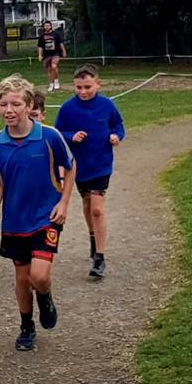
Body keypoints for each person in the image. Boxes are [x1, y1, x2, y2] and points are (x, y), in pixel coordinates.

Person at [0, 73, 75, 352]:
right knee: (22, 278)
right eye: (3, 104)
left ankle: (44, 297)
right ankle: (26, 326)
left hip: (46, 216)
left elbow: (70, 167)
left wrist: (64, 203)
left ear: (29, 105)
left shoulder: (49, 137)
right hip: (15, 221)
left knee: (40, 276)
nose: (9, 110)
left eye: (16, 104)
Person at [54, 64, 125, 278]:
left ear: (97, 84)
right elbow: (58, 133)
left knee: (97, 209)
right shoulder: (67, 108)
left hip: (101, 164)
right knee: (86, 204)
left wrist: (116, 136)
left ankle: (100, 258)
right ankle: (94, 238)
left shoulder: (107, 105)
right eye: (78, 87)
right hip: (78, 166)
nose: (83, 92)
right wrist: (71, 136)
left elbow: (118, 126)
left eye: (87, 87)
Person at [0, 89, 47, 212]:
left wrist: (61, 187)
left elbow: (63, 164)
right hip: (16, 209)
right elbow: (0, 173)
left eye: (35, 115)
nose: (32, 119)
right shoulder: (0, 142)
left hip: (44, 208)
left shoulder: (50, 137)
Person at [37, 21, 67, 93]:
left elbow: (61, 43)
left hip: (56, 53)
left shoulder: (56, 34)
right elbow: (40, 47)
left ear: (51, 26)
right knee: (49, 70)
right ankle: (51, 83)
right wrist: (40, 55)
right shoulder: (42, 36)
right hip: (47, 54)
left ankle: (56, 81)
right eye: (45, 26)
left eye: (48, 25)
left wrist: (64, 52)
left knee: (54, 66)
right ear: (44, 27)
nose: (47, 27)